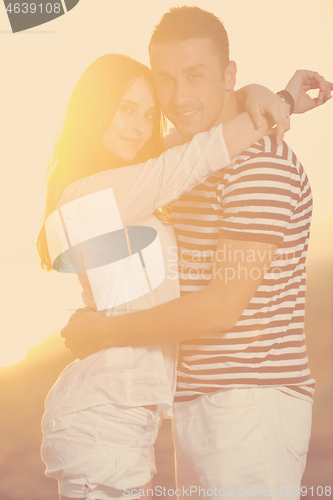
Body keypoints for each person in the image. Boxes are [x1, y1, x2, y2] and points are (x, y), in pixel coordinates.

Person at [61, 7, 333, 500]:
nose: (179, 98)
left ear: (229, 74)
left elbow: (222, 307)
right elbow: (166, 157)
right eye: (165, 80)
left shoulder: (260, 165)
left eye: (195, 76)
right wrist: (272, 97)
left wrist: (106, 332)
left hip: (249, 404)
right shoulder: (185, 157)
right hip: (196, 405)